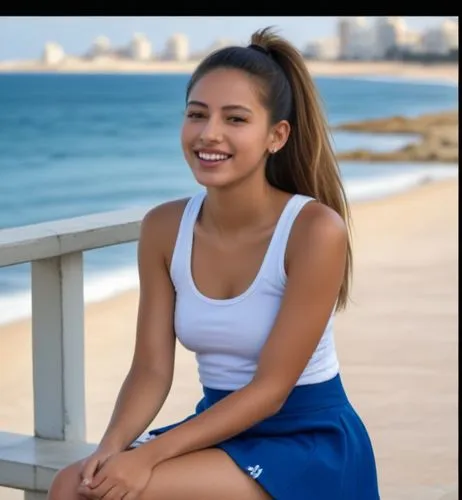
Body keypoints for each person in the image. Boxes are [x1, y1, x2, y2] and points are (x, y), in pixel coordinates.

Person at [47, 26, 380, 500]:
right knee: (75, 483)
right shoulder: (164, 227)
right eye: (196, 114)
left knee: (121, 490)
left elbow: (271, 391)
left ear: (276, 135)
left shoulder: (313, 230)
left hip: (306, 439)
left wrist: (147, 458)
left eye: (236, 119)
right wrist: (112, 448)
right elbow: (150, 369)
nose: (210, 133)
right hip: (219, 428)